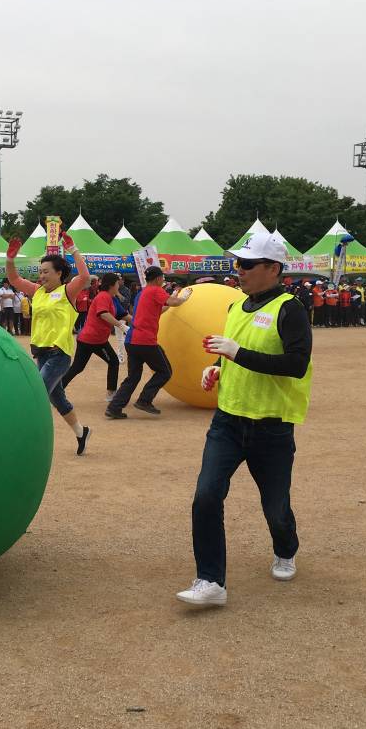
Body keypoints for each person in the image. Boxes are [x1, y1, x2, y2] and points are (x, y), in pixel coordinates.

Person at [176, 232, 312, 607]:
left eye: (248, 264)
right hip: (228, 423)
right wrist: (217, 368)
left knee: (276, 507)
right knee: (206, 496)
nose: (240, 270)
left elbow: (296, 365)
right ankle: (210, 581)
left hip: (271, 427)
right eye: (239, 263)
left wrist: (238, 354)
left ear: (273, 269)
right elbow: (232, 354)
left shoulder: (291, 308)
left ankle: (286, 548)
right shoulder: (236, 307)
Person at [5, 233, 92, 455]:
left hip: (59, 354)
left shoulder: (67, 291)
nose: (41, 275)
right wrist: (10, 259)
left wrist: (73, 249)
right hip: (41, 353)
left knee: (36, 394)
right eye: (40, 271)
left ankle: (22, 440)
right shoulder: (38, 292)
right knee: (58, 399)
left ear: (59, 273)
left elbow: (84, 277)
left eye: (46, 271)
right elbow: (14, 280)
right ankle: (82, 432)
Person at [105, 266, 187, 419]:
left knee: (133, 377)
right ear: (157, 279)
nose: (163, 280)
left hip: (133, 340)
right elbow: (174, 302)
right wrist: (183, 298)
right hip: (145, 341)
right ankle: (144, 400)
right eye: (162, 277)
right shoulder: (156, 290)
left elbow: (158, 309)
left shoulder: (142, 293)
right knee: (165, 371)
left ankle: (114, 407)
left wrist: (171, 302)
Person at [61, 273, 127, 400]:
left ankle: (56, 389)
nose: (119, 285)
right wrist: (122, 326)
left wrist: (136, 323)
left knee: (77, 367)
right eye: (118, 283)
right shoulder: (103, 297)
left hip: (88, 339)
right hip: (94, 340)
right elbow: (103, 314)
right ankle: (111, 393)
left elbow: (121, 314)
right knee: (113, 361)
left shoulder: (110, 297)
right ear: (112, 285)